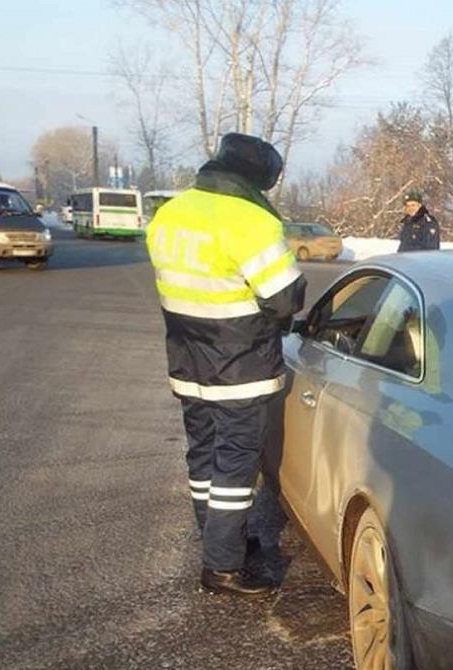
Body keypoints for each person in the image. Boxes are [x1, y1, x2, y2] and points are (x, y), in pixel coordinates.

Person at [145, 133, 306, 596]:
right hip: (239, 367)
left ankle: (219, 538)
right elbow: (282, 298)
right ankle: (223, 566)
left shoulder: (170, 213)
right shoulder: (249, 221)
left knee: (202, 456)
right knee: (235, 467)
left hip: (186, 360)